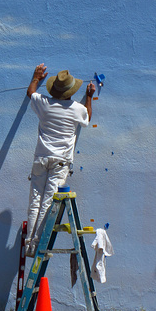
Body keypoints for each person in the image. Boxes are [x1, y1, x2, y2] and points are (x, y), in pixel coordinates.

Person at [25, 63, 95, 257]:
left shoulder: (44, 103)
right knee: (48, 203)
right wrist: (89, 96)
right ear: (71, 92)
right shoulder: (76, 109)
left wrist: (36, 77)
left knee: (35, 201)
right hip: (60, 162)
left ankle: (29, 244)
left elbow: (30, 92)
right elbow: (88, 116)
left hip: (41, 158)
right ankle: (38, 245)